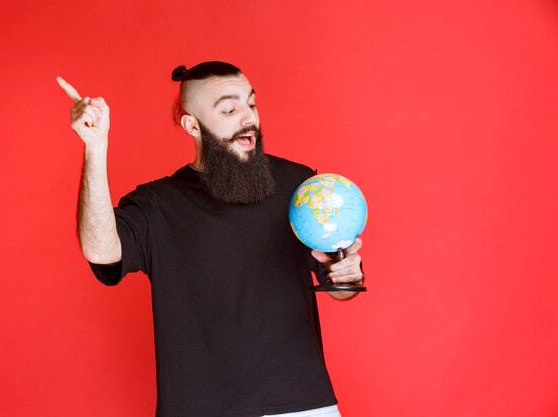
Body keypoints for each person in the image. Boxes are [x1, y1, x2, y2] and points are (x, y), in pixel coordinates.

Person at [57, 61, 365, 417]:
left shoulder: (300, 186)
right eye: (230, 109)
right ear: (192, 124)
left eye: (251, 104)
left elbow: (341, 286)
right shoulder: (158, 204)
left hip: (302, 404)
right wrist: (96, 147)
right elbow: (100, 250)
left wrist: (348, 276)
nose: (248, 118)